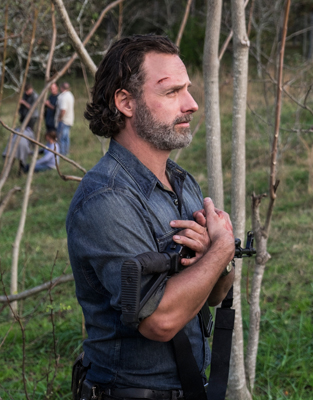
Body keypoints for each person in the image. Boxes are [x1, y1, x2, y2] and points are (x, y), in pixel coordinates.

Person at [67, 34, 236, 398]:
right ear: (126, 102)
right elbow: (159, 321)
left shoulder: (182, 182)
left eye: (187, 89)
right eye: (171, 92)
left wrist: (217, 261)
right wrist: (221, 249)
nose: (191, 104)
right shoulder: (106, 200)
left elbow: (214, 295)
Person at [55, 81, 74, 155]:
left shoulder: (63, 97)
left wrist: (59, 118)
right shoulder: (70, 95)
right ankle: (66, 152)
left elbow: (63, 110)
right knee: (66, 137)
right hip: (69, 120)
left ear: (61, 88)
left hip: (64, 120)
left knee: (61, 137)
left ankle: (62, 153)